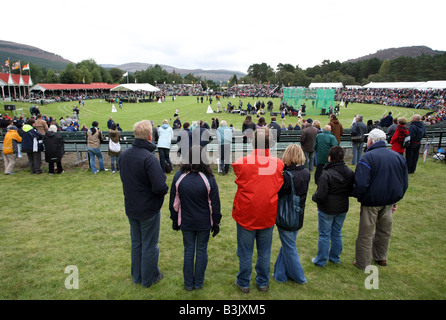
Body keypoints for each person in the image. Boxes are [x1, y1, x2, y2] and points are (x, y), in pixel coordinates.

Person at [232, 128, 284, 293]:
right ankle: (262, 282)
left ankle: (244, 282)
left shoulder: (243, 162)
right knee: (264, 251)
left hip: (247, 212)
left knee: (246, 251)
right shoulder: (278, 163)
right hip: (267, 212)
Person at [119, 120, 168, 288]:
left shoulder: (125, 155)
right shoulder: (148, 158)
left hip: (133, 206)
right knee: (148, 244)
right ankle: (149, 278)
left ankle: (138, 276)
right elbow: (160, 187)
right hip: (146, 208)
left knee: (138, 242)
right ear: (149, 137)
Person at [352, 129, 408, 270]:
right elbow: (404, 182)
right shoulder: (397, 157)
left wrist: (360, 196)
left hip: (372, 202)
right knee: (384, 231)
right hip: (388, 201)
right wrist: (395, 198)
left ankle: (363, 262)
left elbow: (361, 183)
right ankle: (381, 257)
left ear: (371, 140)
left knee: (366, 233)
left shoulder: (368, 158)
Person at [169, 145, 222, 291]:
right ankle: (195, 284)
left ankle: (193, 284)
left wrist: (174, 218)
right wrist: (216, 222)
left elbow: (174, 202)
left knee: (191, 250)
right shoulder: (182, 176)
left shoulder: (205, 178)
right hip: (198, 222)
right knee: (198, 250)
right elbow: (174, 201)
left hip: (191, 222)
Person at [311, 146, 354, 267]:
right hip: (340, 207)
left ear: (330, 157)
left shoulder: (329, 174)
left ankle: (322, 260)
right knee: (336, 233)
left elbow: (321, 194)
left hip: (329, 208)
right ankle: (334, 258)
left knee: (325, 234)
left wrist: (314, 197)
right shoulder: (346, 172)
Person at [273, 144, 310, 284]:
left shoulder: (287, 176)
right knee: (287, 246)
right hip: (298, 214)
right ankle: (280, 275)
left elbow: (279, 193)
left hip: (287, 216)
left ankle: (299, 277)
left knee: (289, 247)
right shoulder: (306, 173)